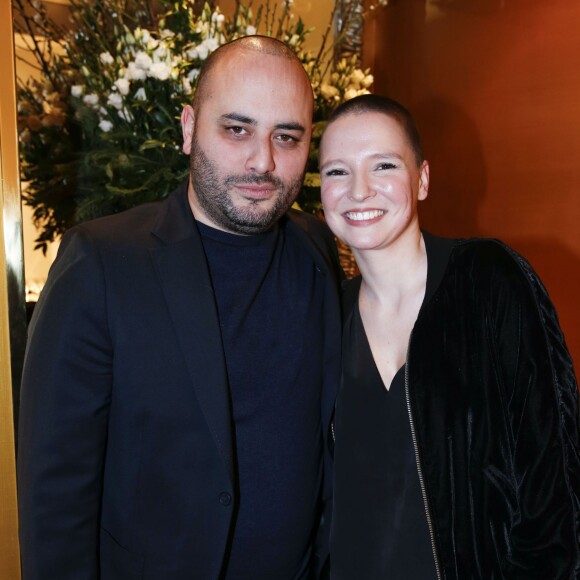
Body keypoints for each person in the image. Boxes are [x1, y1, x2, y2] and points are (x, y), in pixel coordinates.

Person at [17, 36, 342, 580]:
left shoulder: (317, 250)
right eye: (236, 129)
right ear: (190, 128)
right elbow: (55, 491)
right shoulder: (103, 262)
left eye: (286, 136)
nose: (263, 160)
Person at [319, 94, 580, 579]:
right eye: (336, 171)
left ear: (421, 179)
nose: (359, 190)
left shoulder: (488, 280)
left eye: (383, 166)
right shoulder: (325, 316)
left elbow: (554, 483)